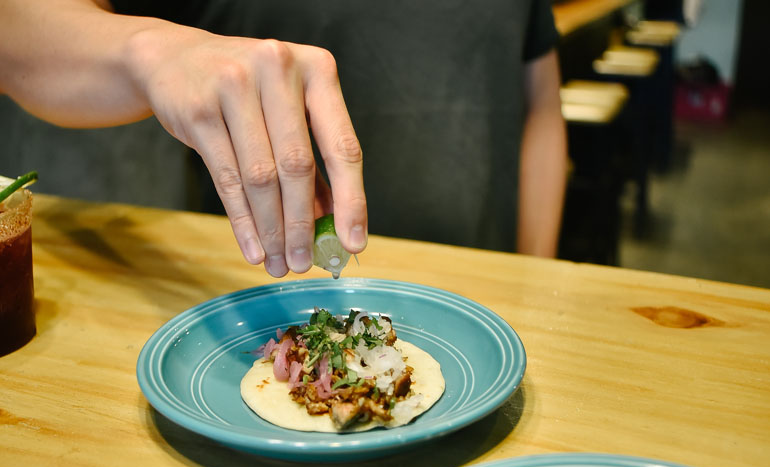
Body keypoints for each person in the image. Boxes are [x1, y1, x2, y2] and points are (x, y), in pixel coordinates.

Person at [0, 0, 566, 277]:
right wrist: (149, 50)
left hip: (485, 314)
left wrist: (535, 278)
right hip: (259, 315)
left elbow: (538, 96)